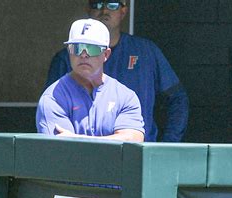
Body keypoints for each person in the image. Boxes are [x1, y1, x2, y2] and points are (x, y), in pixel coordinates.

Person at [44, 0, 189, 142]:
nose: (104, 10)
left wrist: (168, 145)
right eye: (98, 4)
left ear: (123, 10)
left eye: (112, 4)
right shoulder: (62, 67)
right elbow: (58, 140)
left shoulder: (144, 54)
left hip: (138, 159)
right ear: (88, 8)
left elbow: (177, 99)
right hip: (78, 161)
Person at [37, 18, 144, 142]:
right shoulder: (53, 97)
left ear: (106, 55)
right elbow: (63, 151)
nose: (83, 54)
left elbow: (133, 141)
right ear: (69, 52)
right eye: (76, 48)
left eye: (92, 48)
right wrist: (113, 141)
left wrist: (78, 139)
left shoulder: (125, 96)